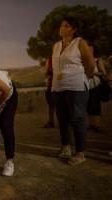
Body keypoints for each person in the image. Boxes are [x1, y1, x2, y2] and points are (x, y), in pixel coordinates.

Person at [51, 16, 95, 165]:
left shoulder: (80, 43)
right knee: (62, 119)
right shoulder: (56, 45)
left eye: (67, 26)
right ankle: (66, 148)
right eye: (61, 25)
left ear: (74, 29)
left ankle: (80, 153)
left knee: (77, 119)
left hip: (76, 86)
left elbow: (90, 65)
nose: (62, 28)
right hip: (58, 87)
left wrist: (81, 78)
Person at [87, 45, 106, 133]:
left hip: (95, 86)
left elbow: (103, 73)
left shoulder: (97, 60)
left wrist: (94, 73)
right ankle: (91, 125)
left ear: (93, 50)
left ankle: (97, 126)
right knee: (88, 106)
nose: (89, 51)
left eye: (91, 49)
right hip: (86, 86)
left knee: (96, 107)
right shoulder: (84, 61)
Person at [43, 57, 55, 128]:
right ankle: (51, 121)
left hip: (61, 84)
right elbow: (46, 72)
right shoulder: (50, 59)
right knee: (51, 104)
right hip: (51, 84)